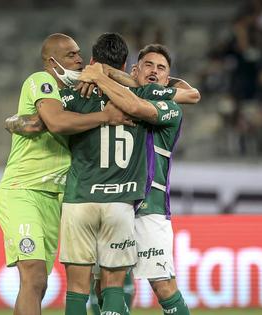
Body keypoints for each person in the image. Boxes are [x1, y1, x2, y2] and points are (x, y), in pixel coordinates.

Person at [0, 33, 130, 315]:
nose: (79, 59)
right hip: (24, 191)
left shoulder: (75, 94)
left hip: (57, 198)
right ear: (52, 62)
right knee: (34, 276)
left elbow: (38, 122)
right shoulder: (40, 81)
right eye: (71, 55)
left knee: (37, 285)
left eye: (79, 53)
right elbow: (55, 122)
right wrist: (105, 116)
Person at [80, 43, 198, 315]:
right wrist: (111, 75)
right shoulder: (118, 97)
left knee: (164, 286)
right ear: (135, 70)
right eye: (148, 65)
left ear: (168, 80)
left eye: (161, 68)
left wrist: (100, 75)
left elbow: (137, 105)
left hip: (150, 208)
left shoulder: (171, 110)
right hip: (114, 202)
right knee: (105, 285)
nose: (154, 71)